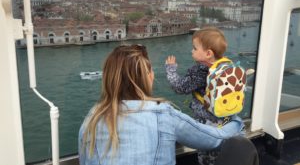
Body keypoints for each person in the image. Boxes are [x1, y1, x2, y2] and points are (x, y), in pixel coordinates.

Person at [78, 44, 244, 165]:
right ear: (148, 77)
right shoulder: (162, 115)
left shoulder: (91, 119)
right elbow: (214, 140)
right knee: (245, 149)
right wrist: (235, 120)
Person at [165, 26, 241, 165]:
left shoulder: (199, 71)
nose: (191, 51)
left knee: (207, 156)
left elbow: (180, 87)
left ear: (208, 54)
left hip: (207, 123)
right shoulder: (227, 66)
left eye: (194, 48)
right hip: (226, 119)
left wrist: (171, 70)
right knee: (224, 153)